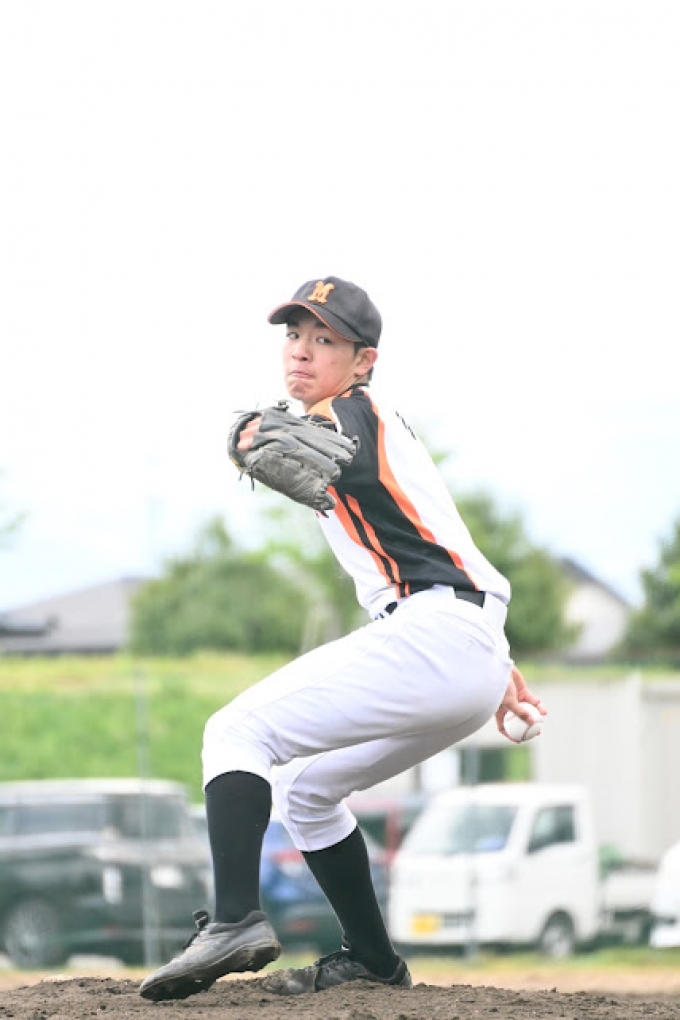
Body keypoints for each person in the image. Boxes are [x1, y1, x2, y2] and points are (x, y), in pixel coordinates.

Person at [139, 276, 545, 1001]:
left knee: (235, 732)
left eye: (325, 339)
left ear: (364, 360)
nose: (301, 350)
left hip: (437, 635)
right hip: (460, 642)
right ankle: (375, 960)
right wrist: (499, 663)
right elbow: (445, 544)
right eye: (294, 334)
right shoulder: (378, 426)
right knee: (308, 793)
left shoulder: (350, 414)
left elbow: (303, 439)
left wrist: (245, 434)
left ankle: (233, 920)